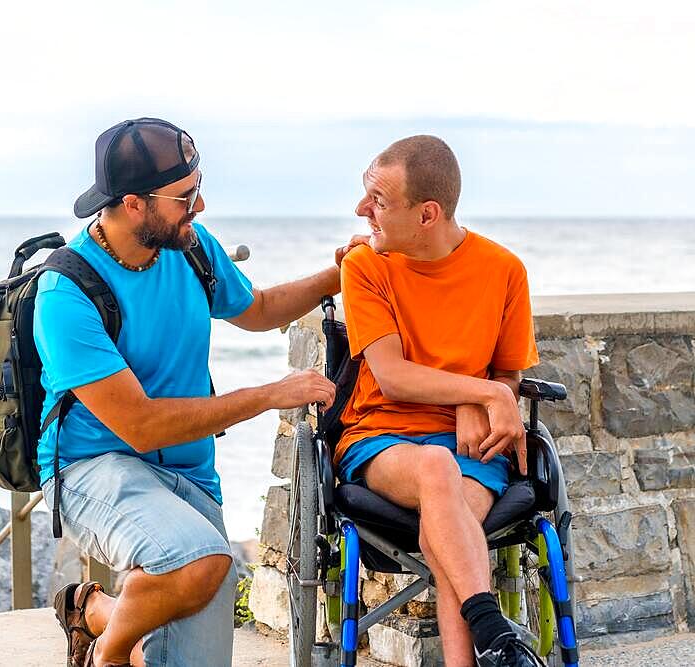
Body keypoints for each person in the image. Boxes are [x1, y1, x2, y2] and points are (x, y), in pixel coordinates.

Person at [35, 117, 362, 667]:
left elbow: (257, 310)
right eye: (186, 196)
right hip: (92, 467)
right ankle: (108, 654)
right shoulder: (66, 293)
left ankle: (94, 615)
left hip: (188, 471)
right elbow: (139, 425)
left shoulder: (187, 246)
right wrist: (267, 394)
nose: (201, 206)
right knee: (202, 559)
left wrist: (338, 275)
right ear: (134, 204)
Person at [337, 135, 542, 667]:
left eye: (379, 199)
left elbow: (507, 376)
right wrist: (482, 392)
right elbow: (394, 377)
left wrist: (483, 398)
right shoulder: (365, 267)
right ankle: (492, 627)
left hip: (471, 447)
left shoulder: (504, 271)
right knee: (435, 470)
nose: (363, 211)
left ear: (427, 213)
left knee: (449, 535)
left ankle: (478, 649)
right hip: (381, 439)